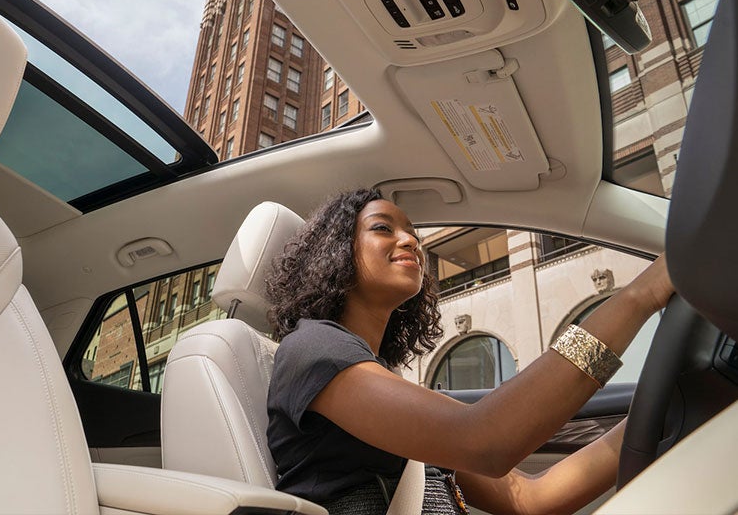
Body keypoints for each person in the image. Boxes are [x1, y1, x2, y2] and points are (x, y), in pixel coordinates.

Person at [264, 188, 674, 515]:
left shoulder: (381, 377)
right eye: (382, 228)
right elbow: (485, 441)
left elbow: (526, 499)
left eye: (412, 232)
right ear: (337, 253)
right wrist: (642, 295)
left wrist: (667, 413)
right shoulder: (312, 348)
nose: (410, 240)